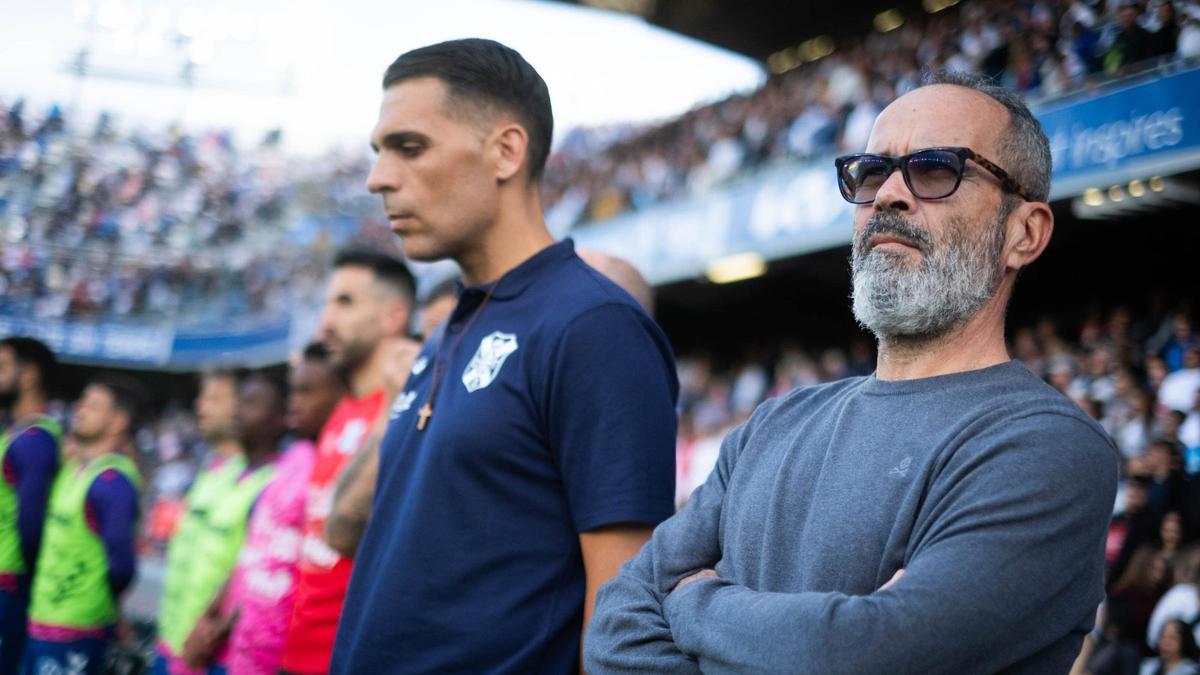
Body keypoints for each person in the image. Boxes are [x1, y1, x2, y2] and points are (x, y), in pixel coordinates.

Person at [586, 70, 1118, 673]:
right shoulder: (773, 424)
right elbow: (614, 630)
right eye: (870, 172)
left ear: (1025, 233)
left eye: (936, 168)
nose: (888, 193)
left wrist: (692, 602)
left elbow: (864, 655)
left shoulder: (1047, 446)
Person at [330, 38, 678, 673]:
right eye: (379, 151)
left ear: (506, 151)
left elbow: (620, 617)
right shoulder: (448, 329)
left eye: (410, 147)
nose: (378, 178)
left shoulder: (594, 326)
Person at [278, 248, 415, 675]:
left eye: (345, 302)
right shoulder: (342, 408)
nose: (326, 322)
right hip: (296, 655)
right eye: (326, 304)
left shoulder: (411, 413)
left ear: (394, 317)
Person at [225, 345, 344, 675]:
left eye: (307, 391)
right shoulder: (294, 456)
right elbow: (256, 551)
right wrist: (224, 615)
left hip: (285, 655)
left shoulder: (338, 464)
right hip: (243, 643)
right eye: (293, 391)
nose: (295, 402)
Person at [23, 376, 142, 675]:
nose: (80, 409)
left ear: (117, 422)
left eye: (93, 406)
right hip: (41, 618)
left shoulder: (112, 483)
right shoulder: (73, 469)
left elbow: (122, 568)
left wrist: (101, 606)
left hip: (77, 630)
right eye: (81, 402)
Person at [171, 373, 287, 674]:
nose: (237, 412)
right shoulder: (219, 469)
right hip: (173, 641)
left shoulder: (277, 484)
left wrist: (214, 630)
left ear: (282, 417)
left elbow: (256, 571)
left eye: (250, 403)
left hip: (213, 652)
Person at [156, 370, 243, 673]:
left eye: (215, 399)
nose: (201, 406)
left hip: (209, 657)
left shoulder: (261, 480)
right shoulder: (208, 470)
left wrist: (213, 630)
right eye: (202, 397)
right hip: (170, 644)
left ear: (242, 406)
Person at [0, 338, 61, 673]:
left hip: (8, 584)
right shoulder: (14, 434)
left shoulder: (35, 440)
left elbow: (31, 526)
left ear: (29, 376)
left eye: (2, 367)